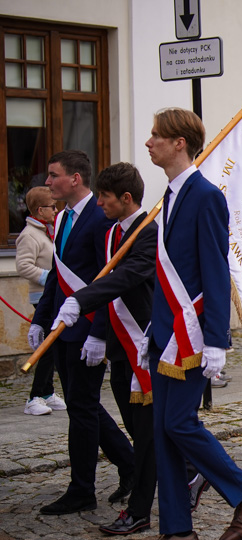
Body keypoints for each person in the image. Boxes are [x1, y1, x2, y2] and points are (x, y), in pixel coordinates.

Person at [130, 108, 242, 540]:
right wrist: (152, 327)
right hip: (167, 333)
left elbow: (214, 266)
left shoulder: (205, 194)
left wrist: (216, 340)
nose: (149, 143)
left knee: (178, 423)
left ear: (179, 143)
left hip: (191, 335)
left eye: (157, 136)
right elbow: (170, 272)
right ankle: (178, 531)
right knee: (162, 430)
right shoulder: (170, 194)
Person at [52, 162, 159, 534]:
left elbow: (129, 276)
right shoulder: (115, 233)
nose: (99, 203)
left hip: (145, 346)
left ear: (126, 199)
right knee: (142, 429)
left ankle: (139, 510)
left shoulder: (148, 232)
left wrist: (82, 300)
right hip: (121, 349)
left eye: (105, 197)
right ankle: (191, 472)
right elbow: (108, 278)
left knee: (147, 434)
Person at [30, 150, 135, 514]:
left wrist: (100, 334)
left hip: (87, 329)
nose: (48, 182)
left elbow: (109, 281)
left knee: (82, 407)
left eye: (53, 175)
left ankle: (82, 489)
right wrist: (40, 319)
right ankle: (131, 464)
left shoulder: (100, 217)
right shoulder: (62, 220)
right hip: (62, 327)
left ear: (75, 179)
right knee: (81, 404)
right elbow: (57, 278)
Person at [16, 187, 64, 416]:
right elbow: (23, 266)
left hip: (53, 295)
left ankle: (47, 392)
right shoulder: (30, 234)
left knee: (52, 344)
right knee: (47, 345)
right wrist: (50, 278)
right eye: (52, 207)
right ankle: (34, 397)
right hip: (42, 296)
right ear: (39, 210)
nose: (56, 210)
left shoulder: (49, 231)